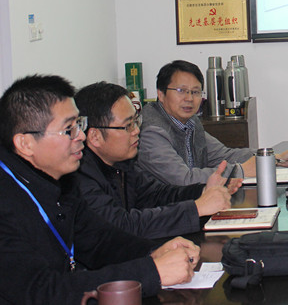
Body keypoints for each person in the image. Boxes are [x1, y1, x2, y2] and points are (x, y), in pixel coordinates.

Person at [0, 75, 199, 304]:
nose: (81, 136)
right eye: (68, 129)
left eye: (79, 124)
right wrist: (151, 272)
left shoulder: (60, 179)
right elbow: (42, 290)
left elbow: (99, 240)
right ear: (25, 143)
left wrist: (153, 252)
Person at [75, 81, 241, 239]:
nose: (136, 131)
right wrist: (197, 208)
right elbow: (123, 226)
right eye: (128, 126)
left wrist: (203, 191)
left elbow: (158, 195)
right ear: (95, 136)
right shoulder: (80, 177)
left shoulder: (122, 164)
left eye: (136, 121)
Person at [136, 60, 288, 185]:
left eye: (195, 92)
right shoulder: (152, 131)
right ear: (161, 94)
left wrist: (275, 158)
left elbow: (225, 155)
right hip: (166, 213)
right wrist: (241, 171)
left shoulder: (190, 122)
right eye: (181, 91)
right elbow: (184, 179)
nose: (189, 98)